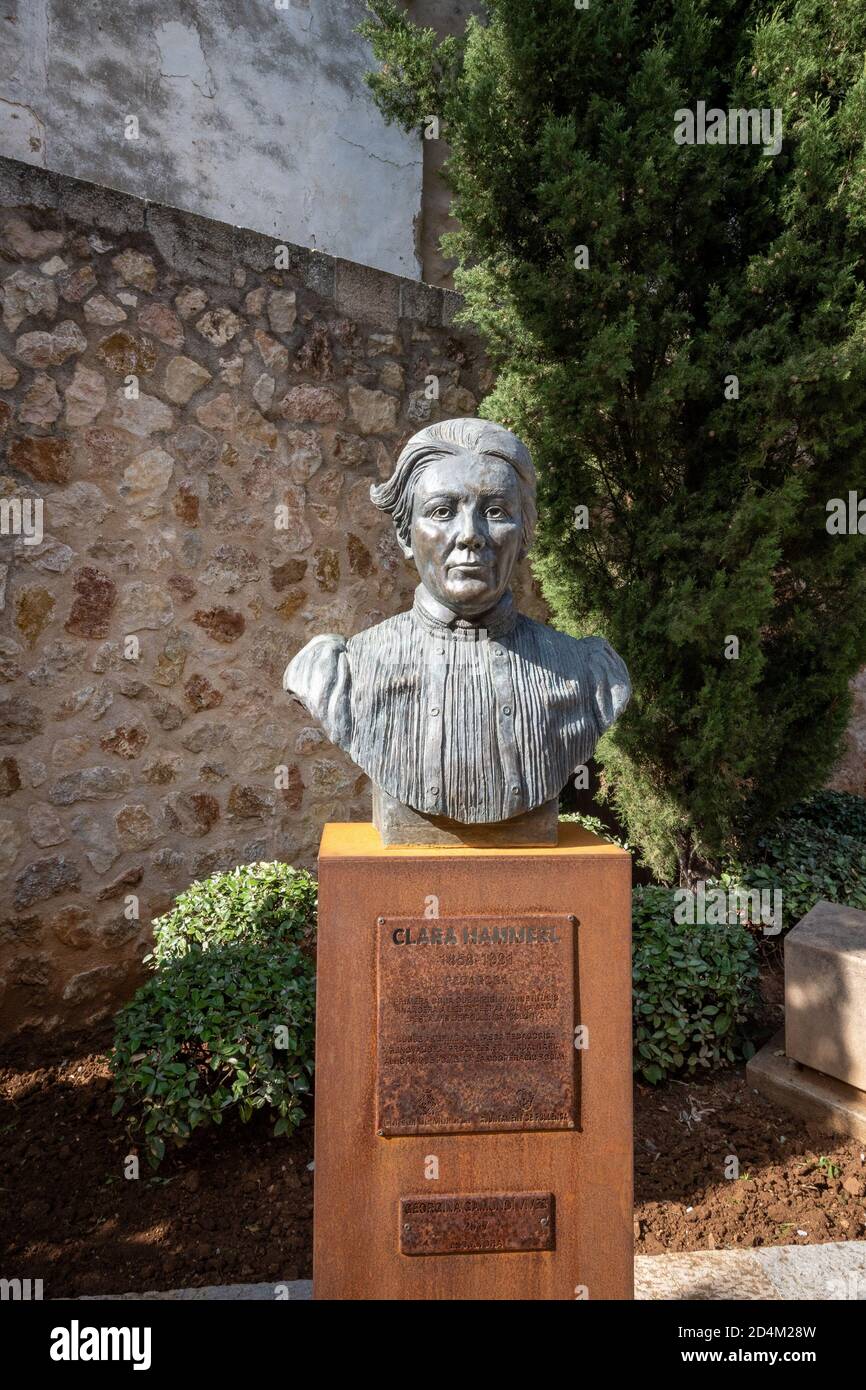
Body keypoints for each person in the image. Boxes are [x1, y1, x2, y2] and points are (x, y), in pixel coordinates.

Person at [284, 417, 630, 830]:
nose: (471, 535)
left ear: (525, 535)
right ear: (405, 534)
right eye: (443, 511)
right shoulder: (342, 674)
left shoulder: (587, 674)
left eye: (497, 511)